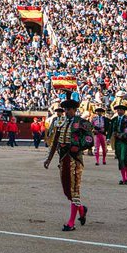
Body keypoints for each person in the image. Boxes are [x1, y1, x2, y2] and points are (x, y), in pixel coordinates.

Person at [43, 99, 94, 231]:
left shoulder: (82, 122)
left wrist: (78, 147)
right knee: (67, 190)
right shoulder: (61, 122)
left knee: (74, 190)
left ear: (74, 110)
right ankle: (81, 210)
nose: (66, 112)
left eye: (68, 109)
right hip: (63, 159)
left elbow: (89, 140)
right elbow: (55, 142)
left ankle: (71, 223)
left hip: (75, 159)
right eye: (65, 109)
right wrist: (49, 158)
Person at [108, 102, 127, 185]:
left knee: (124, 158)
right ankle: (124, 178)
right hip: (117, 141)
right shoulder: (114, 120)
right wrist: (108, 137)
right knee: (120, 159)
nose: (119, 111)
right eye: (118, 110)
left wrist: (125, 135)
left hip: (125, 141)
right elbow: (111, 130)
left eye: (121, 110)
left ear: (124, 111)